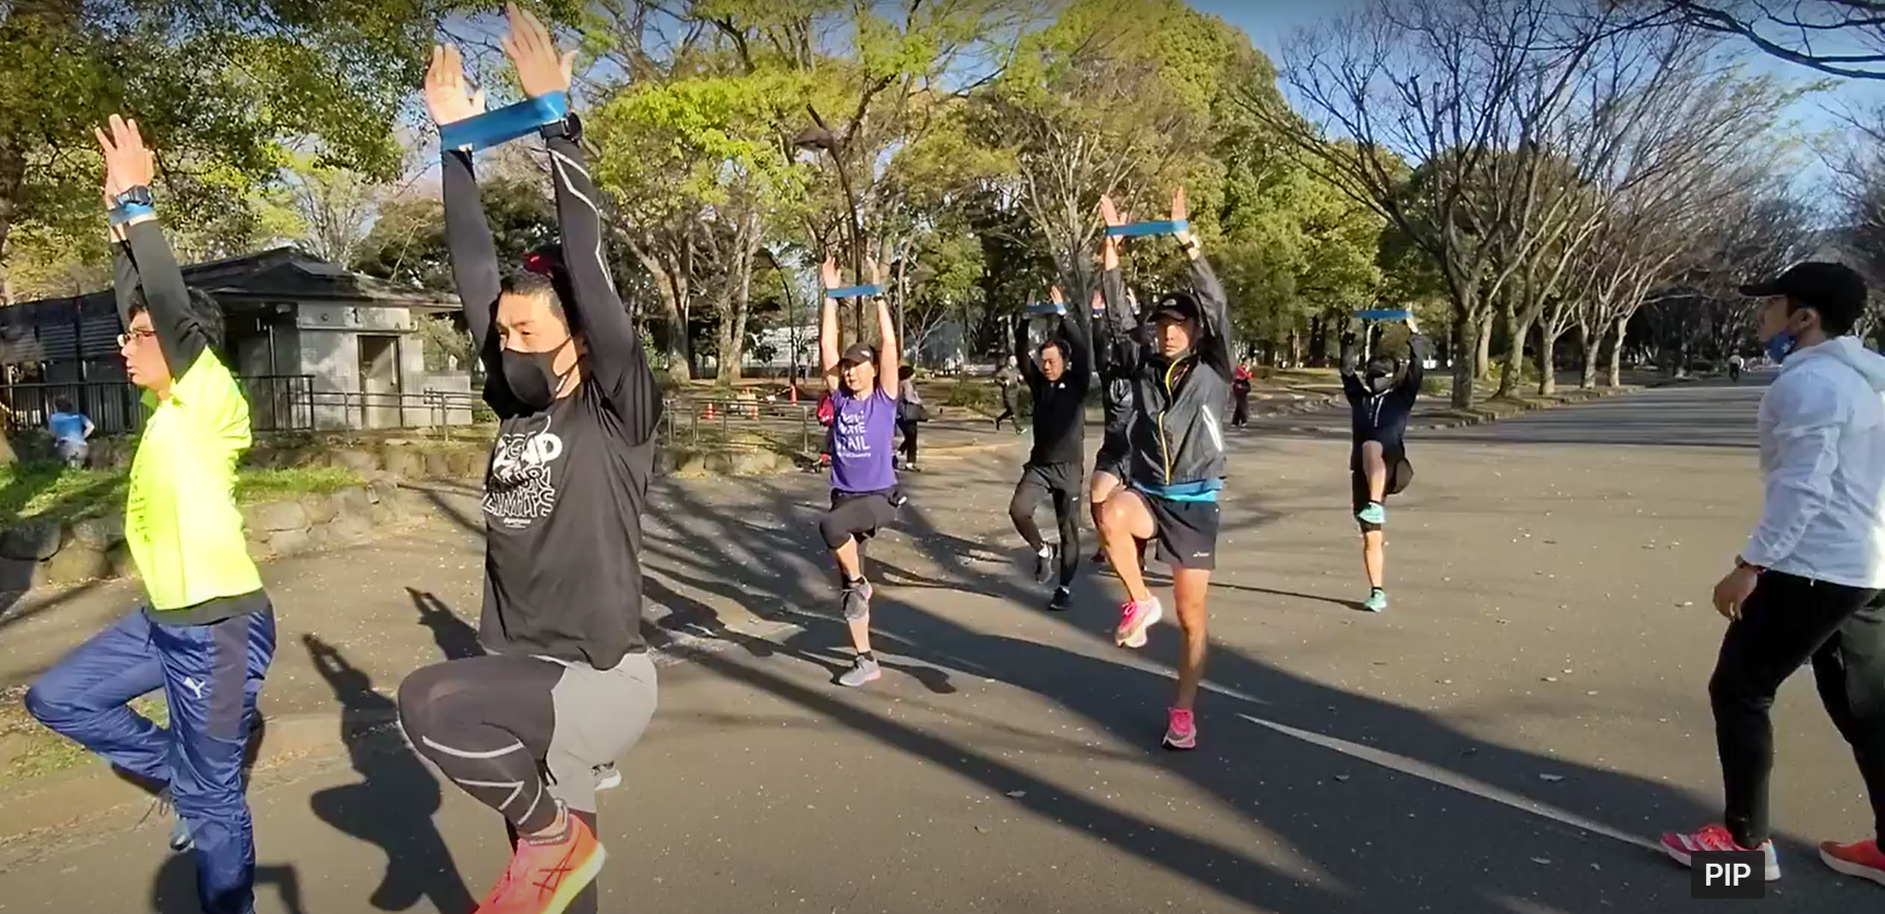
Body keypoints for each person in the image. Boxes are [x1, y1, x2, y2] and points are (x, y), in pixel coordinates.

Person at [392, 12, 662, 914]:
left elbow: (587, 262)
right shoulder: (515, 400)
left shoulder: (615, 408)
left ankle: (554, 838)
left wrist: (557, 122)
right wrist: (454, 147)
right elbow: (474, 269)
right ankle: (556, 849)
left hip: (594, 677)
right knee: (553, 882)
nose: (506, 345)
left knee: (431, 702)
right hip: (520, 665)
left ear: (580, 339)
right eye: (501, 333)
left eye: (526, 332)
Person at [25, 115, 276, 914]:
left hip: (219, 626)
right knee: (56, 699)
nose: (124, 345)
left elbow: (164, 302)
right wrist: (115, 224)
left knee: (213, 804)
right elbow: (141, 297)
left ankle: (214, 845)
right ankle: (185, 773)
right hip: (161, 622)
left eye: (140, 337)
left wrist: (139, 203)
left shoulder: (210, 400)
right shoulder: (165, 410)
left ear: (185, 344)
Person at [1660, 261, 1885, 889]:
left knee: (1740, 689)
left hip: (1812, 566)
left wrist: (1751, 564)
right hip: (1866, 567)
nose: (1761, 315)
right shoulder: (1868, 378)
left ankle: (1742, 849)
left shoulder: (1810, 384)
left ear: (1804, 318)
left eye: (1771, 305)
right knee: (1864, 708)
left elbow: (1803, 487)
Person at [1093, 187, 1231, 751]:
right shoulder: (1145, 366)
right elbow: (1117, 317)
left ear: (1194, 330)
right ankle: (1138, 599)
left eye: (1178, 323)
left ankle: (1183, 710)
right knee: (1108, 513)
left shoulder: (1214, 366)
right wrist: (1112, 249)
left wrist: (1185, 240)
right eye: (1162, 324)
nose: (1168, 331)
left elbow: (1216, 303)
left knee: (1191, 617)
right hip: (1150, 491)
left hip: (1194, 503)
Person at [817, 255, 903, 688]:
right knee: (849, 591)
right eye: (847, 367)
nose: (849, 371)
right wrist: (830, 295)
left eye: (857, 366)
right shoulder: (841, 399)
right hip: (844, 496)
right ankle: (865, 659)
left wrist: (878, 292)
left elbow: (889, 346)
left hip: (878, 498)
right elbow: (827, 349)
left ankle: (859, 581)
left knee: (831, 528)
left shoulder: (883, 399)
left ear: (873, 369)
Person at [1009, 286, 1093, 612]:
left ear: (1065, 362)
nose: (1045, 366)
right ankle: (1044, 550)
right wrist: (1024, 319)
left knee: (1068, 531)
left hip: (1068, 470)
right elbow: (1021, 352)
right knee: (1019, 510)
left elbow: (1083, 350)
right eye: (1043, 361)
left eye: (1052, 361)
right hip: (1040, 467)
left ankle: (1064, 588)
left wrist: (1062, 314)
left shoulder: (1077, 382)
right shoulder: (1039, 384)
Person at [1339, 316, 1427, 613]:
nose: (1375, 379)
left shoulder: (1402, 398)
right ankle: (1377, 592)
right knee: (1370, 534)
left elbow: (1416, 369)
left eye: (1382, 374)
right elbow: (1346, 369)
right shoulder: (1359, 399)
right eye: (1372, 374)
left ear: (1391, 376)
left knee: (1372, 444)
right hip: (1362, 474)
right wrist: (1349, 335)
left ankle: (1376, 503)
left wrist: (1414, 334)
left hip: (1393, 467)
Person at [1090, 283, 1148, 571]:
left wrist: (1135, 312)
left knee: (1139, 503)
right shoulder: (1107, 375)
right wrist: (1097, 316)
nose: (1116, 354)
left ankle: (1138, 554)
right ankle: (1107, 541)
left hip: (1139, 448)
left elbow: (1139, 343)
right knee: (1096, 495)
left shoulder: (1141, 375)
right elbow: (1100, 345)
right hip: (1113, 447)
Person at [46, 395, 95, 468]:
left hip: (66, 448)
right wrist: (82, 437)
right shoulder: (78, 415)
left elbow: (52, 434)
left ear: (57, 406)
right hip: (83, 448)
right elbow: (91, 426)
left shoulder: (54, 418)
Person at [896, 365, 925, 472]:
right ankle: (908, 461)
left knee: (909, 437)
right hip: (908, 414)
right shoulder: (907, 383)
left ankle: (898, 454)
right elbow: (909, 398)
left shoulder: (898, 383)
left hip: (899, 414)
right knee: (912, 438)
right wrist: (918, 402)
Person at [993, 355, 1022, 433]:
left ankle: (998, 419)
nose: (1014, 362)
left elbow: (1019, 378)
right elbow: (996, 379)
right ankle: (1018, 428)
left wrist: (1020, 378)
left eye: (1015, 360)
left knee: (1010, 411)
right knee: (1013, 410)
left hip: (1015, 391)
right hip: (1008, 392)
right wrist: (1004, 383)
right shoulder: (1004, 370)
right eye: (1012, 360)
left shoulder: (1017, 370)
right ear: (1008, 362)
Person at [1230, 365, 1253, 430]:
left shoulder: (1243, 368)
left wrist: (1248, 372)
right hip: (1239, 387)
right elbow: (1242, 376)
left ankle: (1235, 422)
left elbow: (1249, 376)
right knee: (1243, 405)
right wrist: (1247, 372)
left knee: (1239, 405)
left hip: (1243, 387)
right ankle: (1243, 421)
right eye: (1247, 362)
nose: (1248, 364)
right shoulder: (1239, 368)